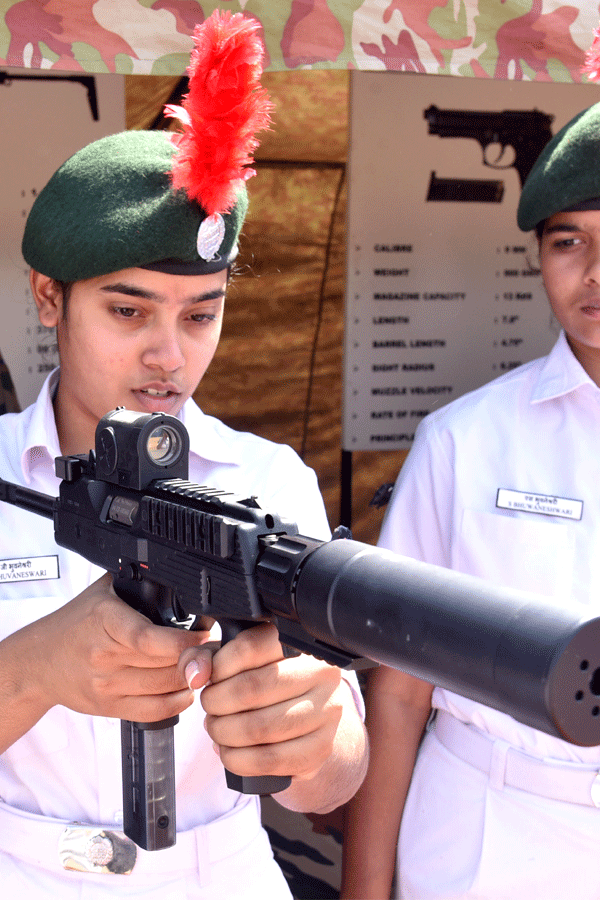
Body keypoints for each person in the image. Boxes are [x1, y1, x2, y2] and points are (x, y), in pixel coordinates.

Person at [0, 12, 367, 899]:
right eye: (129, 312)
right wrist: (38, 667)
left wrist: (315, 737)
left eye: (200, 314)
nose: (169, 355)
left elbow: (334, 775)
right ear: (50, 298)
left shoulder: (268, 480)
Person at [341, 100, 600, 900]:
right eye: (569, 242)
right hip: (487, 830)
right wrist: (364, 888)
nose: (594, 273)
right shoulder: (465, 440)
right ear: (536, 257)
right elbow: (399, 684)